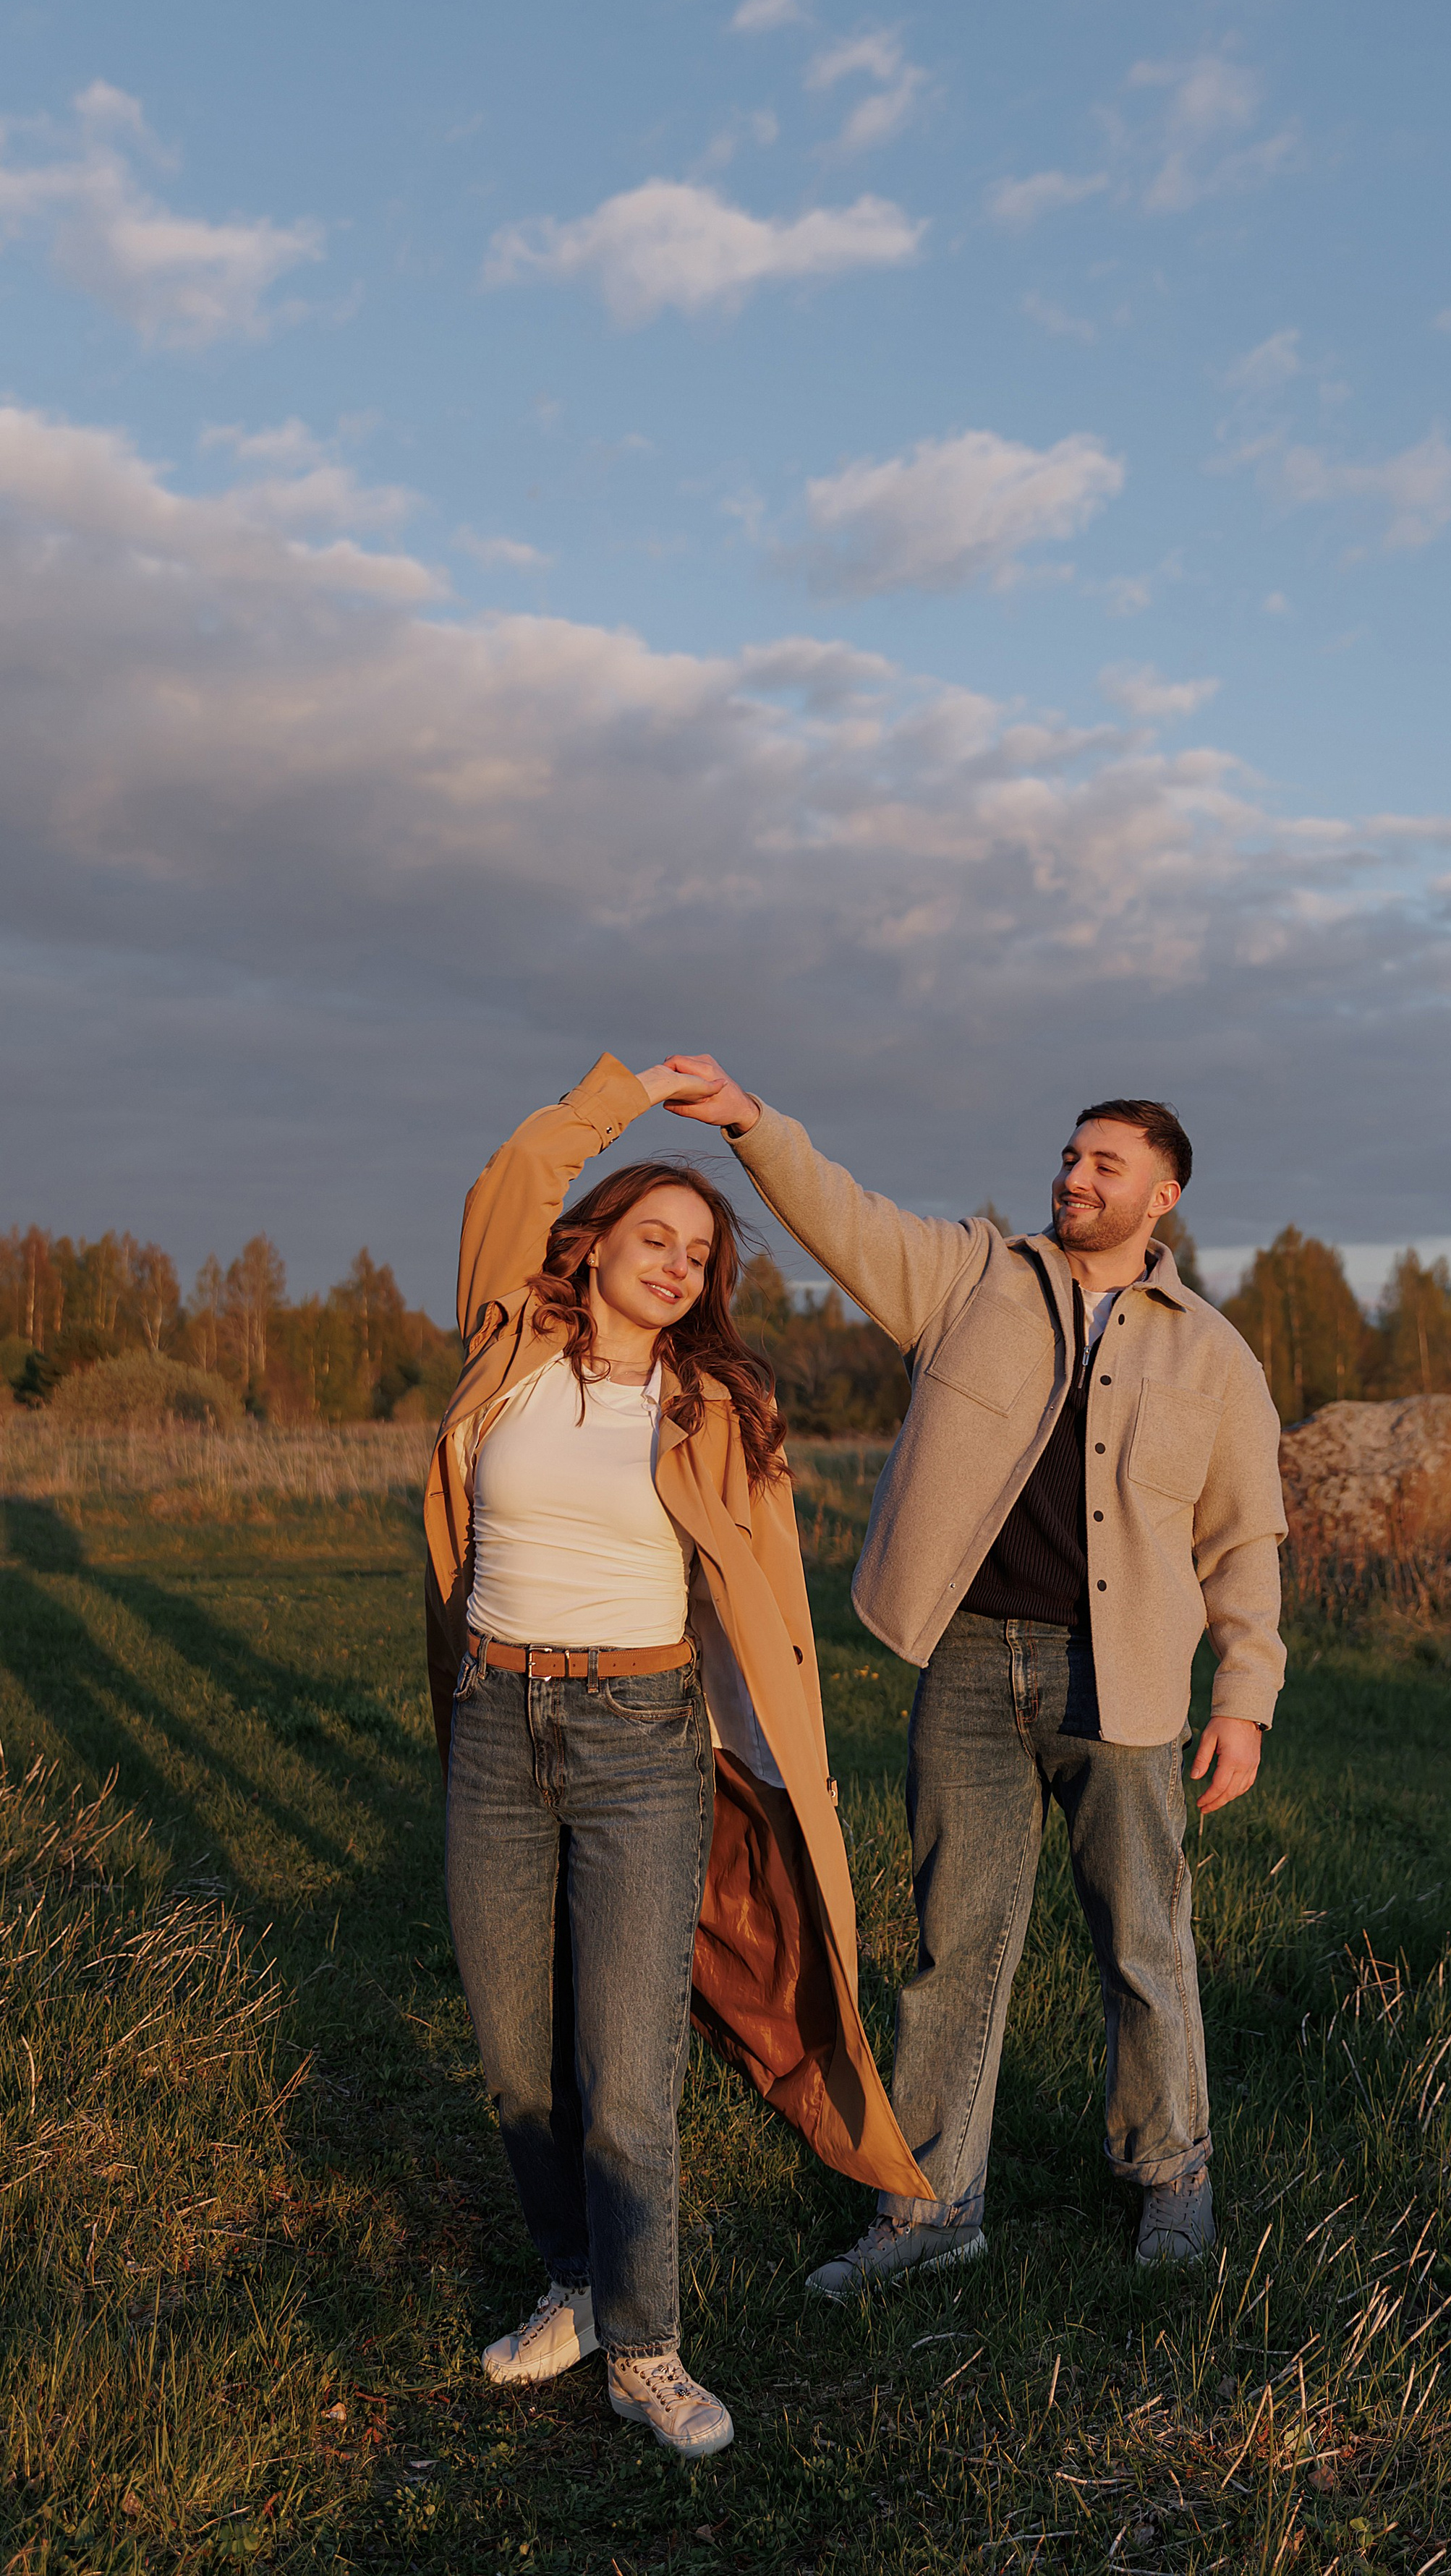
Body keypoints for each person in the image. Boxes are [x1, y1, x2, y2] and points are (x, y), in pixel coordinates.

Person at [663, 1059, 1288, 2294]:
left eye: (1105, 1164)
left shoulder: (1215, 1357)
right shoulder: (974, 1280)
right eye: (1070, 1155)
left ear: (1162, 1195)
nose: (1075, 1176)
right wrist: (750, 1123)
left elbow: (1245, 1537)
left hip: (1127, 1683)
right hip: (963, 1664)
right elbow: (842, 1215)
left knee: (1145, 1943)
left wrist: (1245, 1699)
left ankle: (1173, 2176)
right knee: (954, 1947)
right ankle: (934, 2206)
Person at [422, 1052, 928, 2457]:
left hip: (644, 1743)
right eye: (654, 1235)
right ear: (588, 1246)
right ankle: (575, 2287)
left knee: (627, 2073)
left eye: (699, 1254)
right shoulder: (505, 1346)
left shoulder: (714, 1409)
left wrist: (779, 1777)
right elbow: (512, 1173)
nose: (675, 1265)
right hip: (495, 1732)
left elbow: (764, 1619)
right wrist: (631, 1094)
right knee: (522, 2060)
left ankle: (647, 2346)